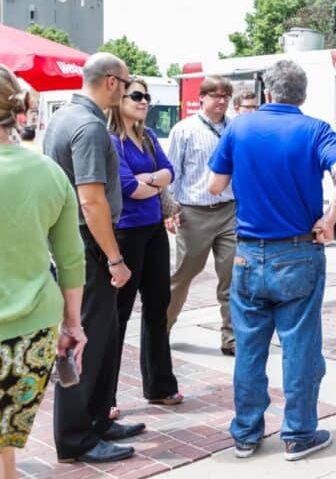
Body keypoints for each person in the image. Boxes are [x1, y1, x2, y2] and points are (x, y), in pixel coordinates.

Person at [207, 60, 336, 461]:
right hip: (297, 251)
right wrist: (329, 220)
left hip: (247, 252)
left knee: (250, 349)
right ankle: (298, 433)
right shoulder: (316, 130)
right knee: (300, 347)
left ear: (267, 92)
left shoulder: (239, 127)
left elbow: (213, 185)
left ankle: (245, 433)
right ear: (301, 95)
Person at [44, 53, 145, 463]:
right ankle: (76, 439)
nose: (127, 90)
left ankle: (98, 419)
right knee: (84, 341)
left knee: (100, 338)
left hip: (79, 242)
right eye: (125, 83)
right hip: (87, 246)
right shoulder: (88, 126)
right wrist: (116, 259)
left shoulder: (64, 117)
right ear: (109, 82)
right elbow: (91, 201)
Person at [0, 65, 87, 477]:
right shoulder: (50, 174)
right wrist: (74, 325)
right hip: (32, 336)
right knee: (5, 443)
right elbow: (71, 260)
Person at [106, 77, 182, 422]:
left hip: (152, 230)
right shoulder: (111, 140)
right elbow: (126, 188)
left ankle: (159, 385)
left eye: (147, 96)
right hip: (125, 233)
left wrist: (148, 180)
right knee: (117, 314)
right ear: (118, 99)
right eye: (136, 95)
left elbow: (171, 172)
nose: (144, 101)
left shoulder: (149, 137)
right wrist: (154, 180)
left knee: (157, 306)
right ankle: (103, 395)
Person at [165, 77, 237, 356]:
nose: (221, 101)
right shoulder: (184, 130)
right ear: (203, 97)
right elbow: (173, 172)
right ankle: (162, 328)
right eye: (216, 95)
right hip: (193, 213)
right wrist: (169, 209)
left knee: (232, 276)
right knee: (183, 274)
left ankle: (231, 338)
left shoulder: (235, 128)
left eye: (226, 96)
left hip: (229, 211)